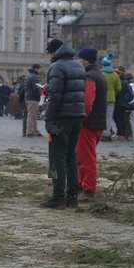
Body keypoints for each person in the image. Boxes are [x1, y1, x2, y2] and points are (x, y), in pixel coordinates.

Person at [42, 38, 86, 209]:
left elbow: (56, 98)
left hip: (61, 117)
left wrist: (49, 118)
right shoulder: (78, 65)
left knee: (57, 157)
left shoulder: (57, 67)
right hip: (77, 115)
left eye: (48, 53)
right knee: (71, 157)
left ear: (53, 52)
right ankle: (72, 197)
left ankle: (58, 197)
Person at [75, 47, 107, 203]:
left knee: (86, 158)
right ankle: (82, 184)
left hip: (88, 123)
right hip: (98, 122)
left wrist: (81, 118)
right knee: (84, 156)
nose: (77, 61)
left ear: (86, 60)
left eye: (79, 58)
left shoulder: (89, 77)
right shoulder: (99, 75)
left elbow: (87, 102)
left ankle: (88, 189)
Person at [101, 54, 122, 140]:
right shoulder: (115, 75)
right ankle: (107, 133)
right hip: (111, 98)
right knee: (109, 117)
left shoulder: (101, 73)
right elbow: (119, 87)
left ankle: (101, 133)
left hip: (101, 98)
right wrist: (113, 93)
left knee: (101, 116)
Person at [21, 64, 43, 137]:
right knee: (31, 116)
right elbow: (36, 88)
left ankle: (35, 130)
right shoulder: (34, 76)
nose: (40, 71)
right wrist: (38, 96)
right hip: (33, 98)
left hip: (27, 97)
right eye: (40, 69)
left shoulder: (28, 75)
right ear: (36, 68)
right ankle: (29, 131)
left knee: (33, 115)